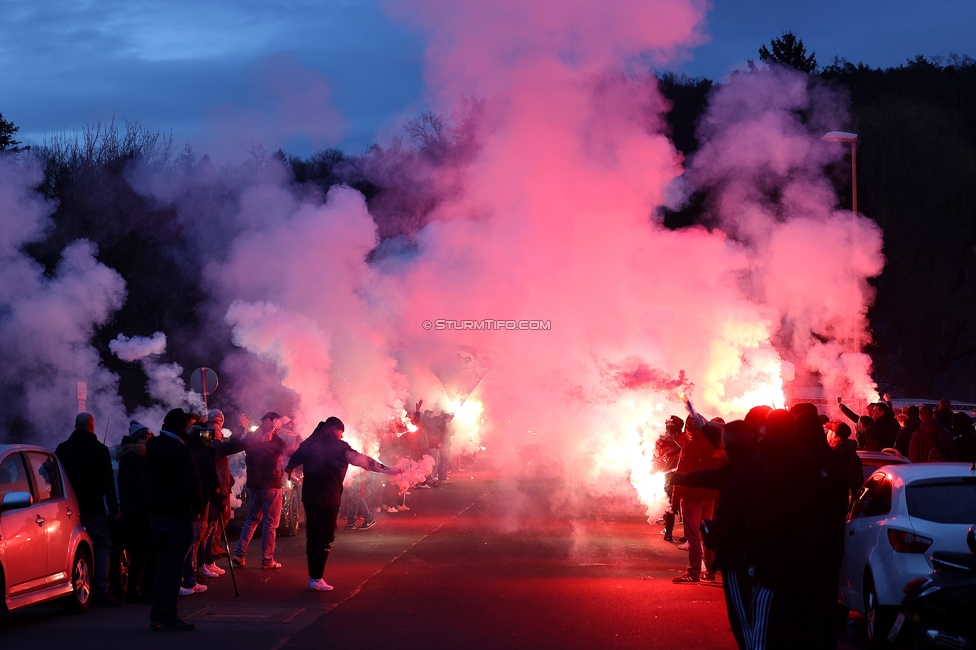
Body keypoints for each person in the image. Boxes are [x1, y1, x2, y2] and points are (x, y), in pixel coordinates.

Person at [284, 417, 400, 592]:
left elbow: (293, 460)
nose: (342, 435)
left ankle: (313, 576)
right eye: (341, 432)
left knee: (313, 536)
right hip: (328, 498)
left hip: (310, 498)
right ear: (333, 429)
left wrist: (288, 469)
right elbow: (363, 460)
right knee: (325, 537)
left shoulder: (310, 443)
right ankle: (316, 578)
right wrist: (386, 470)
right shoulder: (339, 447)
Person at [55, 412, 122, 607]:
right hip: (93, 507)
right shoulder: (100, 450)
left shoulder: (62, 449)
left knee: (66, 547)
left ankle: (64, 584)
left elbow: (51, 476)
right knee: (102, 544)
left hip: (66, 507)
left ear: (76, 426)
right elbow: (108, 483)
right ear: (92, 427)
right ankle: (102, 588)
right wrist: (114, 508)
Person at [145, 408, 203, 632]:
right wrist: (196, 509)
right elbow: (192, 483)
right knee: (174, 568)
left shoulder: (152, 446)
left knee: (163, 566)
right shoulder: (181, 450)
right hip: (178, 515)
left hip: (157, 515)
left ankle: (155, 615)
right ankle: (170, 615)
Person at [671, 414, 727, 584]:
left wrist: (674, 501)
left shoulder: (689, 448)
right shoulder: (715, 445)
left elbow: (680, 477)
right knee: (705, 536)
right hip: (709, 497)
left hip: (692, 498)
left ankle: (693, 572)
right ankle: (709, 573)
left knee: (693, 537)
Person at [234, 412, 291, 569]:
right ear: (270, 421)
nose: (280, 427)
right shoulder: (273, 438)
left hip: (254, 485)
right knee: (270, 524)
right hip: (271, 484)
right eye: (278, 423)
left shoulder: (252, 436)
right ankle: (267, 560)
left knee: (251, 519)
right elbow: (290, 452)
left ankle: (239, 554)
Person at [116, 421, 156, 603]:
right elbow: (139, 487)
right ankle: (137, 590)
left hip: (140, 512)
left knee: (144, 553)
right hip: (137, 513)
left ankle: (140, 589)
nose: (148, 441)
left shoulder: (140, 457)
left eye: (149, 438)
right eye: (144, 438)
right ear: (136, 440)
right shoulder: (132, 459)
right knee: (141, 553)